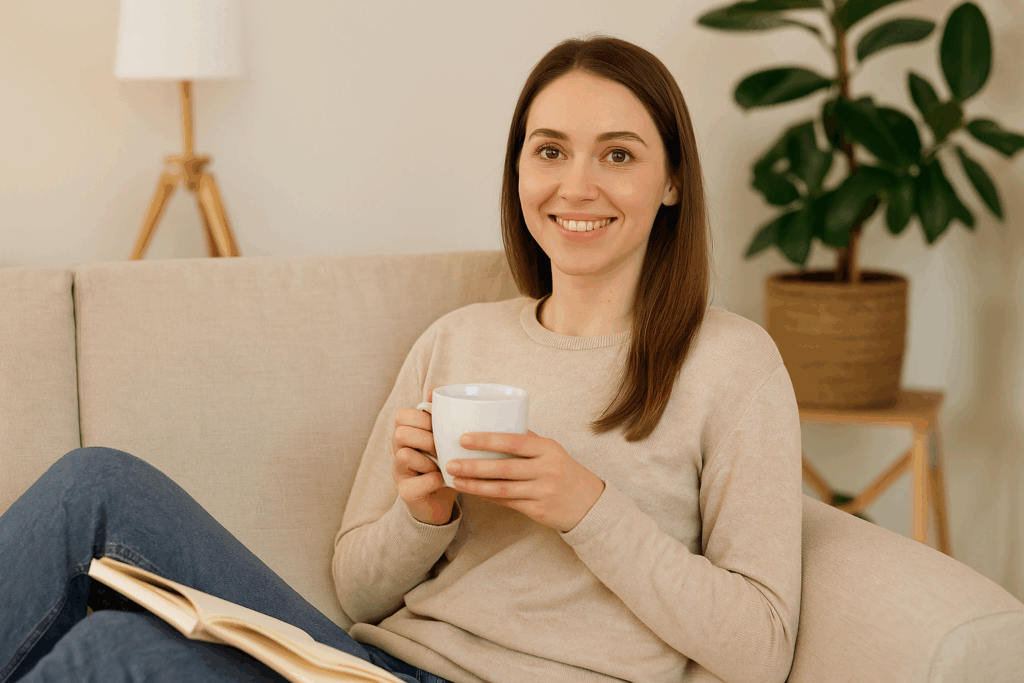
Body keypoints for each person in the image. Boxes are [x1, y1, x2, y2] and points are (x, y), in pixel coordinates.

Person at [0, 35, 801, 683]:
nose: (577, 185)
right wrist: (424, 515)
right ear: (520, 169)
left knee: (106, 654)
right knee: (93, 485)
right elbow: (357, 589)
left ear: (672, 181)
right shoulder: (459, 339)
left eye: (618, 155)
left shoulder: (731, 364)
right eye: (550, 151)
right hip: (373, 666)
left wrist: (588, 507)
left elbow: (761, 648)